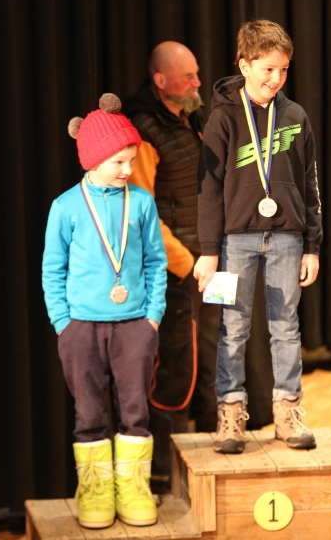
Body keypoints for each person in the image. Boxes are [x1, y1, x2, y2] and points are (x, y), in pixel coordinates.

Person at [194, 19, 322, 454]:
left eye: (283, 69)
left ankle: (287, 412)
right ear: (245, 65)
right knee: (232, 328)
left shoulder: (295, 116)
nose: (276, 78)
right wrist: (209, 251)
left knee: (286, 326)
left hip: (287, 238)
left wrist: (312, 245)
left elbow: (310, 185)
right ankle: (230, 413)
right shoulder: (222, 118)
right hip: (234, 242)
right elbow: (208, 190)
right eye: (268, 69)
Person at [42, 94, 167, 529]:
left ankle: (133, 488)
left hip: (134, 326)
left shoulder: (142, 202)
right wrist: (63, 323)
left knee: (135, 410)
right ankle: (95, 491)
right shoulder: (66, 207)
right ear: (94, 160)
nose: (127, 169)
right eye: (118, 162)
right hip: (80, 328)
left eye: (131, 160)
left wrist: (152, 318)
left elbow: (156, 262)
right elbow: (52, 269)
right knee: (89, 413)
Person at [122, 41, 222, 492]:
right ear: (161, 81)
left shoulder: (190, 120)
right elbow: (141, 212)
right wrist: (187, 264)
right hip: (176, 275)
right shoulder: (143, 133)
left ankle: (210, 466)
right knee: (176, 372)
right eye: (188, 77)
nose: (198, 82)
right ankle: (164, 477)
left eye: (197, 73)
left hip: (212, 264)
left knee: (215, 359)